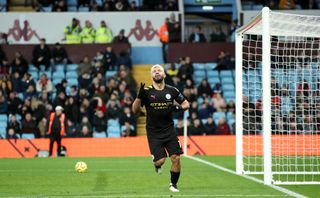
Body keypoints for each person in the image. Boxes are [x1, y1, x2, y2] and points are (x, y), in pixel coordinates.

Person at [132, 64, 189, 192]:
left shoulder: (172, 90)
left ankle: (173, 185)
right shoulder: (146, 92)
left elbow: (186, 104)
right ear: (151, 76)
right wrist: (139, 97)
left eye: (159, 70)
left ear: (164, 74)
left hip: (169, 130)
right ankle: (156, 165)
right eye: (154, 71)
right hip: (153, 132)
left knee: (176, 158)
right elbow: (135, 110)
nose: (157, 72)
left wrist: (178, 107)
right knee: (160, 161)